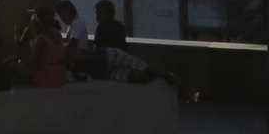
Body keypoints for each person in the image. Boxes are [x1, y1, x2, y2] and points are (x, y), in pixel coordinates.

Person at [72, 45, 200, 103]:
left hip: (109, 56)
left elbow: (82, 55)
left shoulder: (69, 52)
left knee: (148, 69)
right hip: (106, 72)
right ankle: (166, 76)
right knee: (141, 77)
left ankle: (184, 88)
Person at [5, 6, 70, 88]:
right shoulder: (57, 35)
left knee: (9, 64)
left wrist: (23, 57)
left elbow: (36, 65)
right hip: (60, 76)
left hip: (47, 78)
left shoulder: (41, 39)